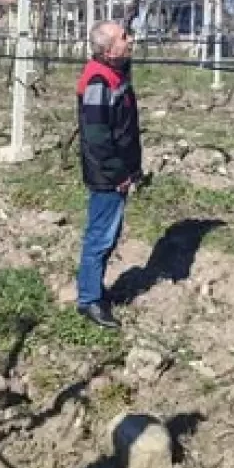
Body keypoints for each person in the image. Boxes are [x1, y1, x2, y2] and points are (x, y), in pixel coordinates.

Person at [75, 20, 142, 330]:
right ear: (107, 49)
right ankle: (89, 300)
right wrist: (118, 173)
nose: (129, 40)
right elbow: (97, 137)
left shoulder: (115, 73)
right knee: (100, 237)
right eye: (123, 38)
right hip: (106, 175)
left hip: (115, 171)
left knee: (106, 234)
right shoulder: (99, 81)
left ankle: (93, 289)